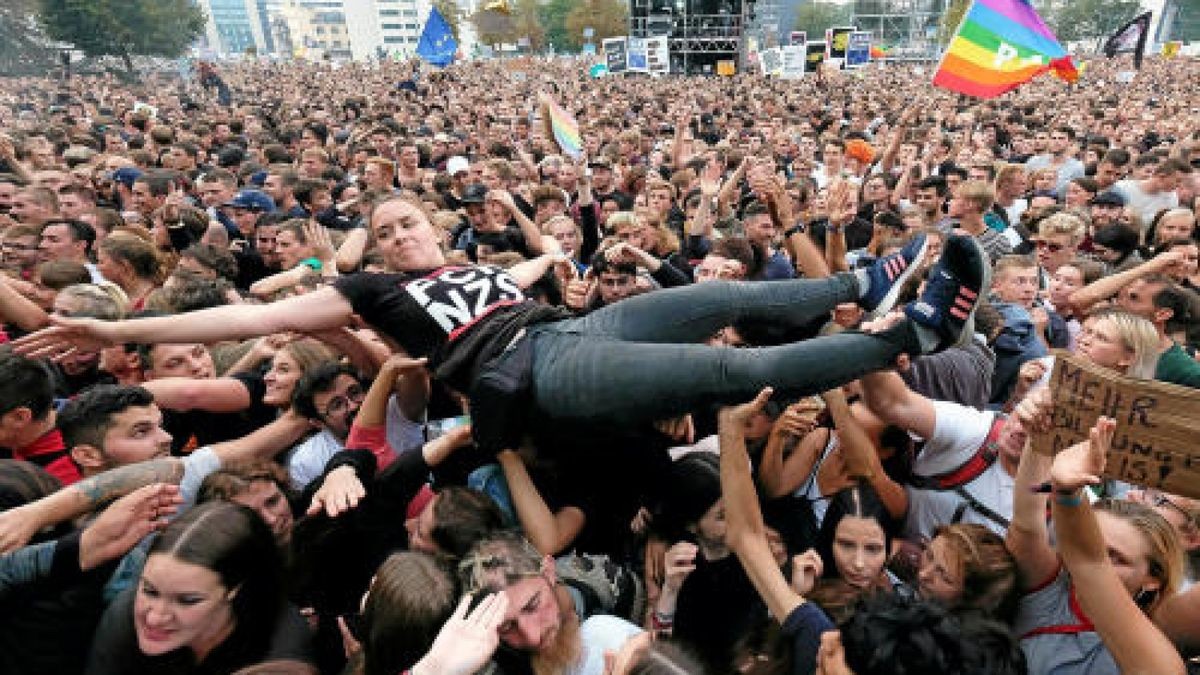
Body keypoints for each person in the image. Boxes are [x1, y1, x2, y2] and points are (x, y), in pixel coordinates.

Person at [15, 198, 991, 455]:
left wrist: (559, 242)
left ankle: (876, 278)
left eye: (409, 222)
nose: (399, 233)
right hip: (539, 374)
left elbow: (541, 257)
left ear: (430, 231)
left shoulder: (481, 263)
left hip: (575, 328)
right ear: (373, 246)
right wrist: (123, 334)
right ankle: (913, 337)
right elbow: (241, 308)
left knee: (716, 298)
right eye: (385, 227)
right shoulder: (365, 290)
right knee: (733, 371)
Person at [86, 501, 316, 673]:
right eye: (150, 591)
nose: (155, 618)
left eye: (187, 600)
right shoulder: (125, 616)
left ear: (235, 589)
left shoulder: (281, 649)